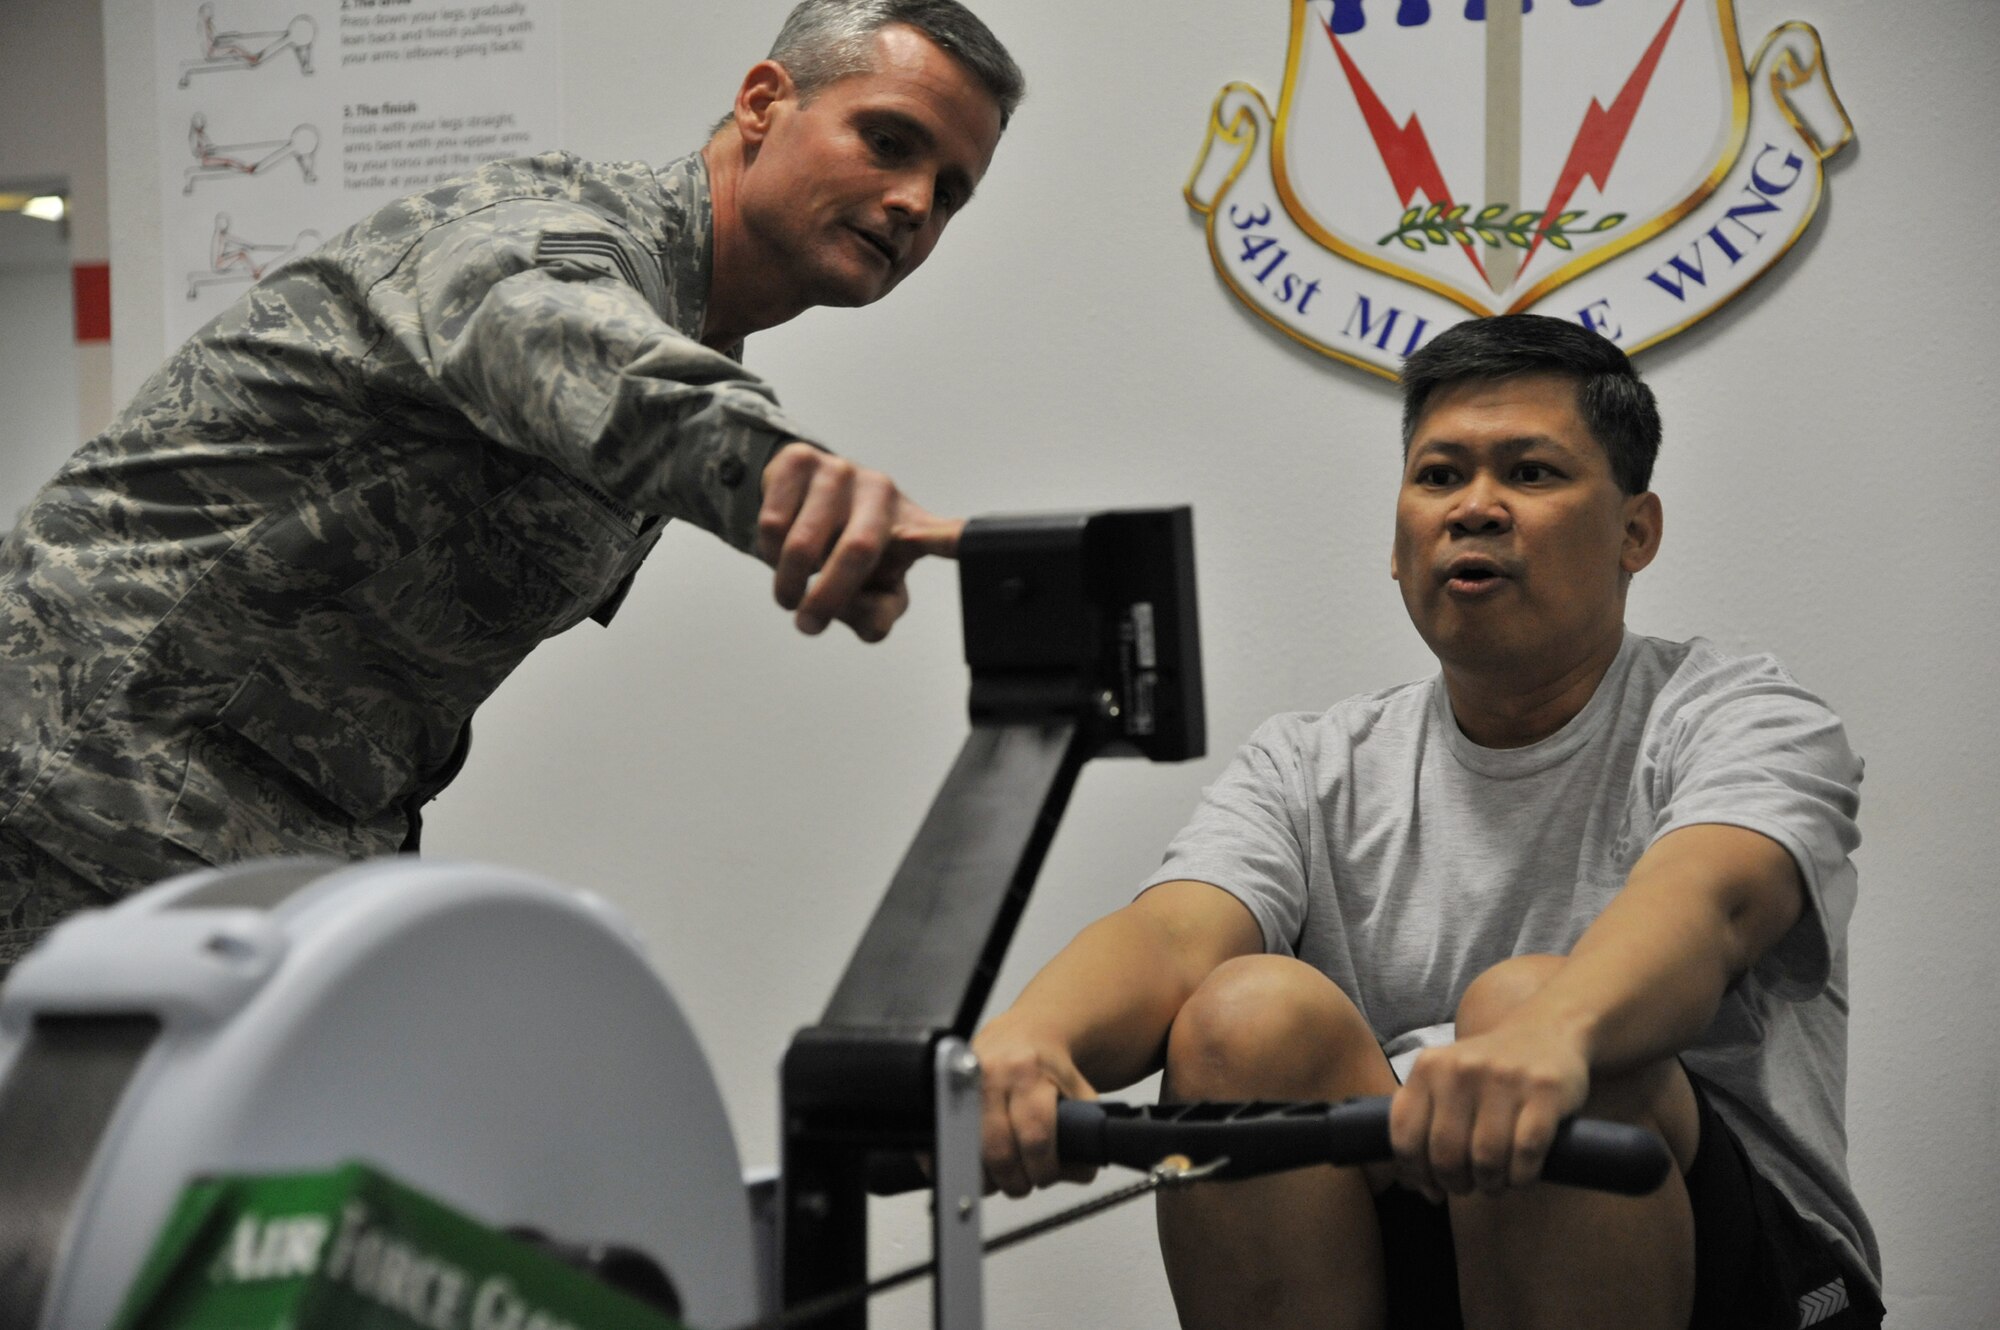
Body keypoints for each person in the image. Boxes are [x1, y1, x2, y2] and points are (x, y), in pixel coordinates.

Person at [0, 0, 1023, 967]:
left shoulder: (697, 331)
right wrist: (781, 473)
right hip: (78, 778)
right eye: (888, 141)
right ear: (763, 103)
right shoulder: (554, 236)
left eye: (950, 191)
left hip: (254, 834)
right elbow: (563, 342)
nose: (912, 203)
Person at [973, 315, 1883, 1329]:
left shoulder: (1736, 712)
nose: (1474, 509)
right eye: (1439, 475)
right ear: (1396, 541)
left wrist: (1551, 1030)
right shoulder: (1312, 762)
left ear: (1634, 531)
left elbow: (1712, 899)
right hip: (1414, 1252)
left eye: (1531, 474)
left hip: (1743, 1263)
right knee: (1244, 1017)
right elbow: (1172, 933)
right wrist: (1026, 1041)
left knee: (1527, 1005)